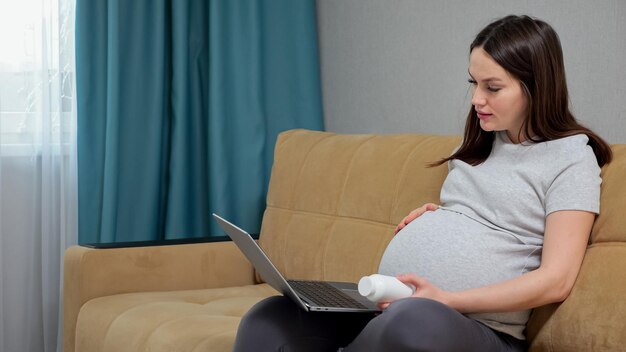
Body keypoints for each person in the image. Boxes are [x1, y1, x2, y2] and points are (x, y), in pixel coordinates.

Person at [233, 14, 613, 352]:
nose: (477, 99)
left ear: (536, 86)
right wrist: (441, 216)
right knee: (269, 317)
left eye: (492, 87)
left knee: (413, 323)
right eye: (474, 83)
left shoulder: (570, 158)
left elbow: (556, 279)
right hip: (392, 310)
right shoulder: (478, 144)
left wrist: (448, 300)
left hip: (472, 327)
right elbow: (477, 219)